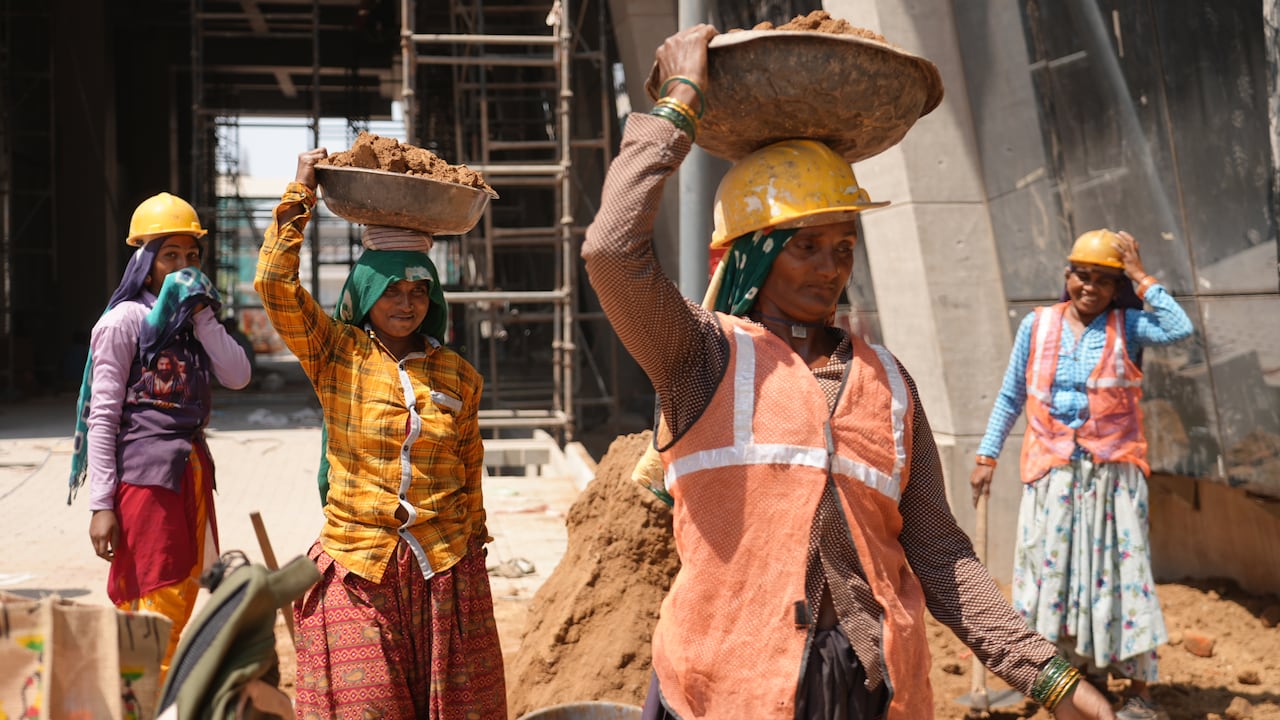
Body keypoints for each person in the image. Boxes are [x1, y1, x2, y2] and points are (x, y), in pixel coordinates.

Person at [582, 24, 1119, 720]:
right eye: (806, 245)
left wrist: (1053, 682)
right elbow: (609, 250)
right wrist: (678, 105)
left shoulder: (889, 383)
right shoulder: (702, 357)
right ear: (753, 254)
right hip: (728, 689)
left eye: (844, 244)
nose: (833, 265)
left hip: (870, 691)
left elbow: (941, 557)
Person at [253, 148, 505, 719]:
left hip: (444, 572)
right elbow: (273, 284)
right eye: (393, 290)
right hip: (359, 566)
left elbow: (470, 471)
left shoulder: (458, 376)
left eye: (419, 291)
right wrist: (301, 194)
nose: (407, 304)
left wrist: (473, 556)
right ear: (366, 291)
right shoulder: (336, 353)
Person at [970, 228, 1194, 720]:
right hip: (1051, 476)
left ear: (1117, 289)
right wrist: (987, 456)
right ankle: (1059, 680)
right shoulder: (1036, 326)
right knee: (1052, 581)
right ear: (1066, 275)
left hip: (1112, 477)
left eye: (1103, 281)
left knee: (1123, 578)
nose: (1089, 287)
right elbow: (1011, 396)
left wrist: (1140, 274)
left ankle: (1141, 693)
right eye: (1081, 275)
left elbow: (1181, 328)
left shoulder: (1129, 326)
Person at [72, 191, 253, 678]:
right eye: (170, 255)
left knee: (184, 591)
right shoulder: (123, 321)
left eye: (191, 255)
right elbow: (103, 417)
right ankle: (142, 699)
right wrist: (100, 506)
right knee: (156, 597)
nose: (183, 266)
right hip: (145, 483)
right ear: (145, 261)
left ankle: (152, 696)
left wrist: (203, 316)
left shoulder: (194, 322)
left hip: (189, 474)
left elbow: (238, 375)